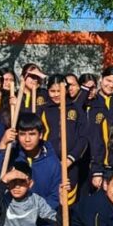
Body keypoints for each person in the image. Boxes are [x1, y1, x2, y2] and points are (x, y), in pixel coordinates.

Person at [0, 112, 62, 213]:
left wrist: (35, 214)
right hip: (13, 219)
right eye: (22, 134)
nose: (27, 139)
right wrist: (2, 144)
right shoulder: (11, 155)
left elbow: (55, 196)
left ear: (40, 135)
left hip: (41, 221)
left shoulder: (52, 162)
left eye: (32, 134)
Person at [38, 75, 88, 203]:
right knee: (48, 199)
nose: (55, 95)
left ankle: (66, 223)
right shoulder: (43, 110)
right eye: (52, 91)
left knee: (67, 201)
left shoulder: (75, 109)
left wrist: (70, 159)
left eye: (59, 91)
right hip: (48, 161)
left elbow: (83, 138)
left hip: (70, 164)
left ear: (65, 90)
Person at [87, 66, 113, 190]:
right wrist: (96, 170)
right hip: (94, 165)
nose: (111, 85)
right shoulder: (91, 101)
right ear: (101, 79)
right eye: (108, 80)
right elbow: (93, 138)